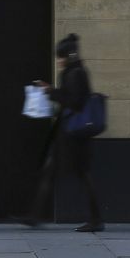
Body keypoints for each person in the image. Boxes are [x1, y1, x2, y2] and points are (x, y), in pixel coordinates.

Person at [24, 34, 104, 232]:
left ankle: (96, 220)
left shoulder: (75, 73)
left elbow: (74, 102)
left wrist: (51, 91)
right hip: (68, 134)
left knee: (82, 175)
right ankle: (35, 216)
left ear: (69, 55)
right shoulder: (73, 71)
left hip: (74, 135)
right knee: (52, 172)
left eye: (60, 57)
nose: (58, 61)